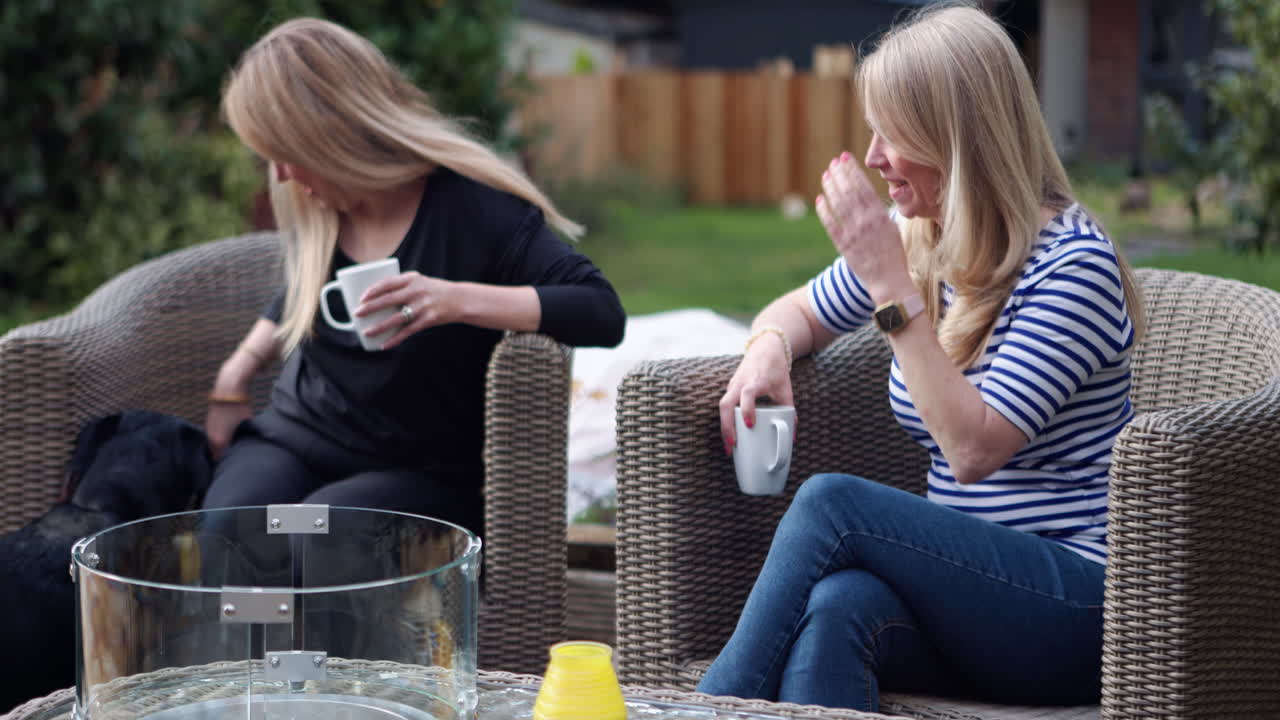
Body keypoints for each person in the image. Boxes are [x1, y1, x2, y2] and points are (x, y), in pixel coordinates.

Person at [697, 3, 1146, 712]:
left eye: (892, 134)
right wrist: (768, 350)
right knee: (841, 607)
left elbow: (971, 448)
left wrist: (890, 291)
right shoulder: (927, 234)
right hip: (972, 597)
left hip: (1076, 613)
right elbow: (798, 311)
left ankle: (704, 710)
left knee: (832, 505)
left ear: (956, 138)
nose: (874, 157)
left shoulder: (1073, 269)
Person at [201, 17, 625, 542]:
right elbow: (298, 294)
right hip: (295, 438)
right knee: (233, 527)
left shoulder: (472, 209)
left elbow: (601, 311)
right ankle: (259, 627)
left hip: (421, 471)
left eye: (287, 155)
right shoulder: (323, 212)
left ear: (328, 138)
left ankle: (311, 621)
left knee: (317, 534)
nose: (281, 176)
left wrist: (454, 300)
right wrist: (234, 375)